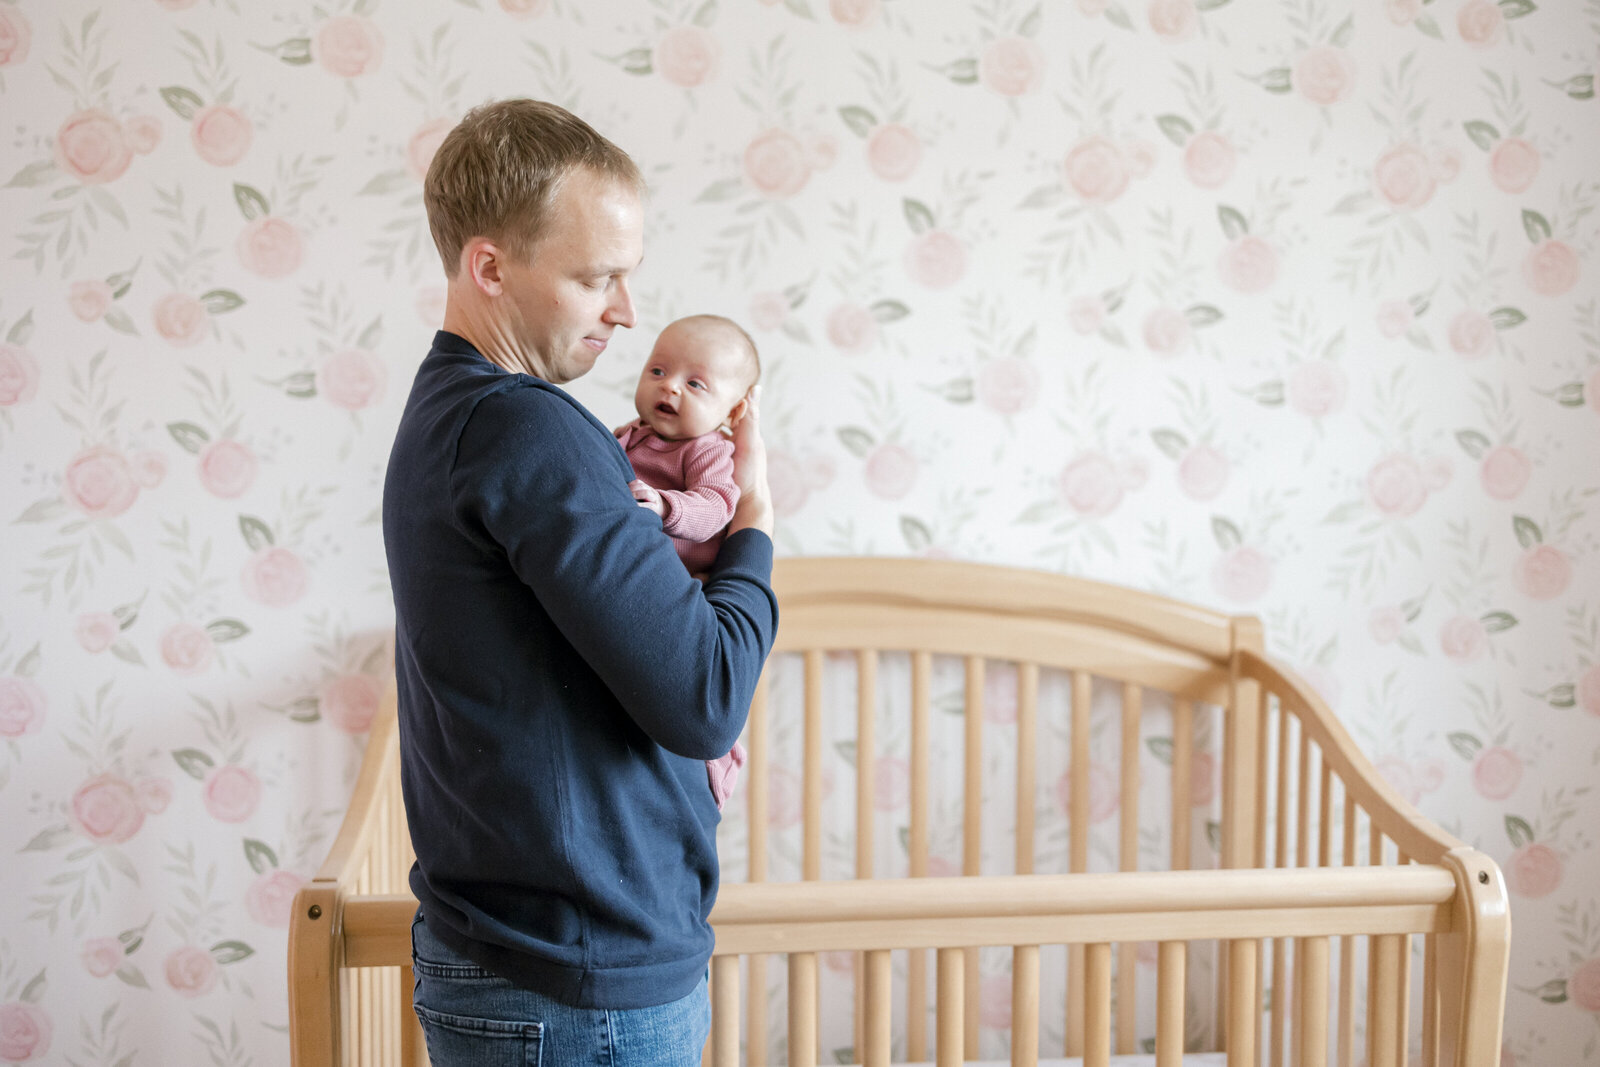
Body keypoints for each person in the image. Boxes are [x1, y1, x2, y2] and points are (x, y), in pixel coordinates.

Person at [382, 99, 777, 1067]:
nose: (627, 311)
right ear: (490, 268)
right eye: (597, 277)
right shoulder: (531, 431)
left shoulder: (449, 414)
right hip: (575, 980)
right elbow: (704, 695)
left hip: (519, 954)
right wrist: (755, 520)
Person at [614, 313, 762, 809]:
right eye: (658, 371)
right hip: (642, 584)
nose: (670, 387)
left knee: (697, 677)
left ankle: (719, 759)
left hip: (692, 584)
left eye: (695, 383)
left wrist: (665, 506)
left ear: (733, 411)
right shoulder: (625, 436)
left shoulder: (705, 449)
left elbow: (718, 506)